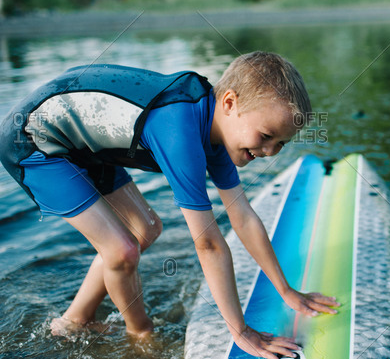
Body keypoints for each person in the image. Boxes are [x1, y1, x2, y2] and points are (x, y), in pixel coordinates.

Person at [0, 51, 339, 359]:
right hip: (33, 139)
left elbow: (244, 219)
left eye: (280, 144)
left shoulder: (219, 133)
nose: (269, 152)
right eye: (265, 136)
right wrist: (242, 331)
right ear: (230, 103)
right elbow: (207, 243)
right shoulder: (180, 130)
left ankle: (73, 321)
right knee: (122, 250)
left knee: (145, 228)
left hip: (82, 142)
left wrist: (286, 291)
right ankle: (141, 336)